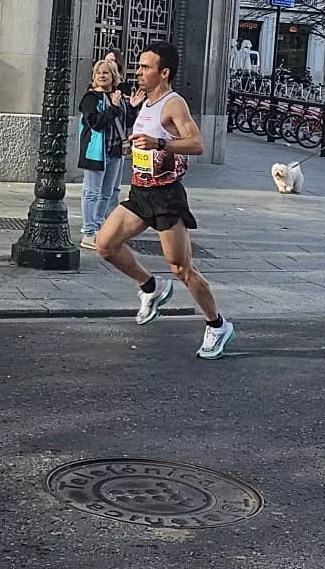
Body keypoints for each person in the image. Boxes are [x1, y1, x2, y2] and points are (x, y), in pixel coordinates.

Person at [95, 41, 234, 359]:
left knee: (182, 269)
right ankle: (150, 286)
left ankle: (217, 325)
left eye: (146, 67)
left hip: (166, 196)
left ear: (164, 72)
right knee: (105, 245)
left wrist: (159, 142)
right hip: (141, 192)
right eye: (140, 66)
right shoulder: (144, 101)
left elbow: (197, 144)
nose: (138, 71)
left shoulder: (174, 104)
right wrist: (139, 147)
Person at [77, 56, 126, 249]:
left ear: (114, 76)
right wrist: (113, 107)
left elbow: (125, 122)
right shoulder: (91, 98)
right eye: (98, 72)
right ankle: (88, 231)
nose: (101, 76)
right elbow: (96, 123)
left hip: (115, 151)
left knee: (107, 193)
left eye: (106, 72)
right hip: (96, 152)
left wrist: (132, 106)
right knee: (92, 192)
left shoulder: (117, 97)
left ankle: (98, 228)